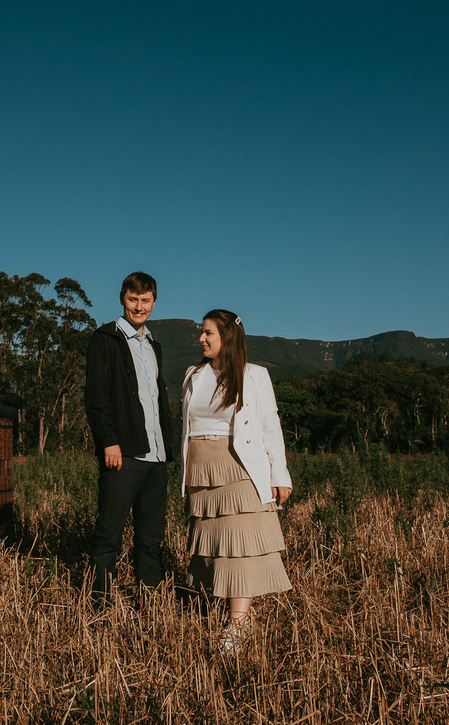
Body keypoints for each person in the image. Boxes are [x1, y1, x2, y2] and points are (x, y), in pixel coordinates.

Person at [180, 309, 292, 654]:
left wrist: (279, 474)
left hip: (239, 467)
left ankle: (238, 623)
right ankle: (231, 612)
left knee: (239, 547)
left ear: (226, 338)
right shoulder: (192, 375)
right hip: (201, 469)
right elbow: (182, 426)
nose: (202, 338)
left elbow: (270, 427)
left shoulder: (254, 375)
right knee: (215, 546)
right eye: (202, 332)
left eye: (209, 333)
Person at [84, 271, 176, 601]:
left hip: (156, 456)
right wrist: (108, 440)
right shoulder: (105, 340)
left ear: (154, 302)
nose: (139, 306)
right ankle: (100, 603)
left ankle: (148, 600)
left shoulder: (154, 346)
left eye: (145, 300)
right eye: (133, 299)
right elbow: (96, 399)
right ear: (123, 298)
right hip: (123, 454)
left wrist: (169, 445)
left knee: (150, 536)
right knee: (109, 534)